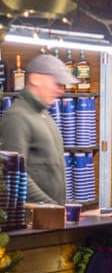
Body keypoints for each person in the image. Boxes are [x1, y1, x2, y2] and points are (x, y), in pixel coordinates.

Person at [0, 54, 78, 204]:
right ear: (35, 79)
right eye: (57, 83)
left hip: (48, 217)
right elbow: (13, 173)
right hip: (33, 220)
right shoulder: (17, 117)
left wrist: (61, 208)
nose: (61, 91)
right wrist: (52, 208)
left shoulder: (44, 116)